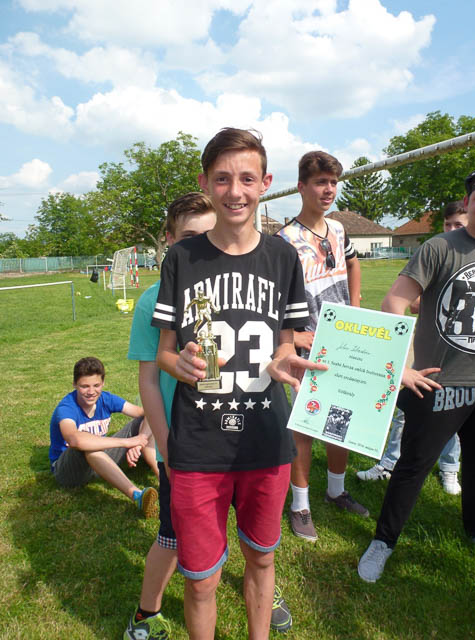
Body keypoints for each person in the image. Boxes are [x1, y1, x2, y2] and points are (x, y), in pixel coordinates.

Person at [152, 128, 327, 640]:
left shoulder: (282, 257)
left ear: (265, 183)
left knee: (262, 558)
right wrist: (180, 364)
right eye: (223, 179)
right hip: (199, 443)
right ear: (205, 182)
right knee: (201, 580)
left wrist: (285, 360)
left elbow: (286, 343)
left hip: (265, 439)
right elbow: (164, 352)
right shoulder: (181, 258)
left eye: (247, 179)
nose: (235, 191)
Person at [358, 170, 475, 584]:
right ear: (468, 204)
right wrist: (401, 365)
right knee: (412, 466)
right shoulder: (440, 247)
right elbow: (394, 302)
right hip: (441, 382)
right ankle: (383, 541)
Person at [124, 192, 216, 640]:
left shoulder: (229, 289)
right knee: (174, 534)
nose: (199, 247)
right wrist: (165, 448)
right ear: (168, 239)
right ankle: (146, 613)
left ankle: (263, 584)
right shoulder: (152, 301)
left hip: (232, 437)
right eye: (188, 237)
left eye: (208, 236)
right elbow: (148, 381)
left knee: (240, 523)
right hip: (181, 443)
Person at [276, 150, 368, 542]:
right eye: (320, 182)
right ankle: (300, 505)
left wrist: (356, 307)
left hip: (342, 342)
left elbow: (353, 263)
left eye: (333, 182)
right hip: (306, 347)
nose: (328, 190)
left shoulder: (339, 229)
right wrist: (292, 337)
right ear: (301, 187)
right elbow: (271, 299)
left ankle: (335, 491)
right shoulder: (283, 241)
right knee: (306, 426)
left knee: (339, 418)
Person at [357, 202, 468, 495]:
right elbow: (408, 301)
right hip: (426, 351)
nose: (451, 229)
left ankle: (449, 469)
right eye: (447, 224)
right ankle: (390, 462)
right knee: (405, 408)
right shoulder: (438, 252)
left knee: (454, 414)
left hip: (461, 359)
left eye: (458, 224)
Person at [49, 356, 158, 517]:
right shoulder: (66, 408)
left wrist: (139, 441)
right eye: (84, 386)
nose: (91, 392)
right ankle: (137, 496)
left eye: (96, 385)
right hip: (68, 470)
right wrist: (127, 442)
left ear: (103, 383)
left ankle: (165, 478)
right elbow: (74, 439)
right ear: (74, 384)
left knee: (144, 421)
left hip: (99, 461)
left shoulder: (106, 399)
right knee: (87, 446)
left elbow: (148, 413)